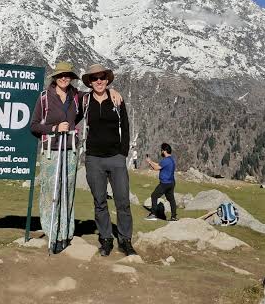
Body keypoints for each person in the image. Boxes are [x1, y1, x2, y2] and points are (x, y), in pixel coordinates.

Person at [29, 62, 123, 254]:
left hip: (70, 150)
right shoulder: (45, 98)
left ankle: (65, 233)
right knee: (50, 194)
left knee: (67, 192)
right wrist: (54, 128)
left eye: (67, 75)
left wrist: (113, 91)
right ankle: (52, 232)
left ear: (71, 77)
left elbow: (97, 93)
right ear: (55, 77)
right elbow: (34, 125)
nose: (64, 78)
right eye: (60, 75)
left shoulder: (77, 96)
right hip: (51, 150)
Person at [81, 64, 135, 257]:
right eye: (94, 78)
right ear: (89, 81)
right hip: (94, 159)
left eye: (102, 77)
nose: (98, 81)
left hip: (116, 158)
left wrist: (123, 153)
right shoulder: (84, 101)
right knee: (100, 201)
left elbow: (126, 127)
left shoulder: (117, 100)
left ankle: (125, 240)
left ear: (107, 79)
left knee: (123, 201)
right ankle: (106, 239)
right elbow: (68, 103)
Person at [144, 143, 178, 222]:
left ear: (164, 151)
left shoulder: (166, 160)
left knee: (154, 196)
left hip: (164, 183)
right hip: (171, 183)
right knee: (171, 199)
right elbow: (159, 165)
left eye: (162, 150)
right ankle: (173, 217)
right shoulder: (170, 159)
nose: (161, 152)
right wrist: (151, 161)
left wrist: (149, 162)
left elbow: (156, 168)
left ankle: (153, 214)